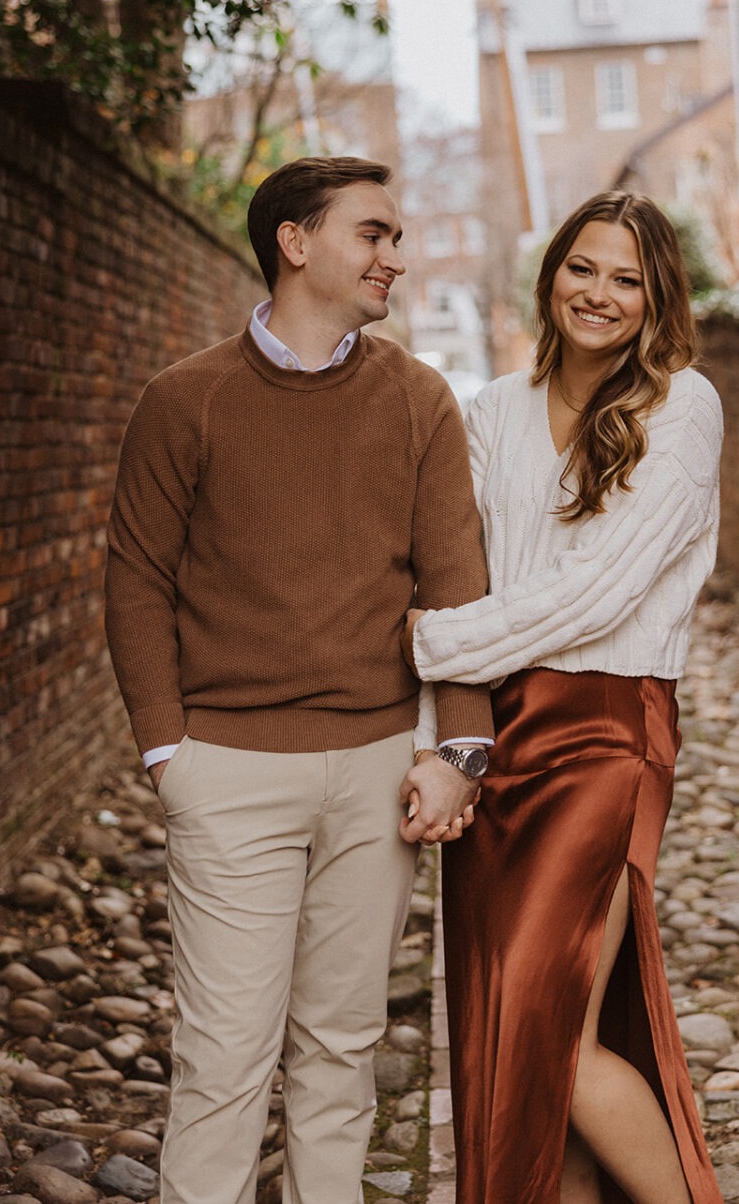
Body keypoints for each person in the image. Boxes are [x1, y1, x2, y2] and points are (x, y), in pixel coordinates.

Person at [104, 155, 495, 1204]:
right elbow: (135, 575)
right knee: (223, 1060)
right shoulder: (184, 401)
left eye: (395, 238)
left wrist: (457, 748)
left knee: (340, 1051)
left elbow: (457, 587)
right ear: (296, 240)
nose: (395, 258)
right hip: (226, 773)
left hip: (376, 773)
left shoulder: (418, 399)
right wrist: (163, 748)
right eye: (374, 234)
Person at [401, 192, 725, 1204]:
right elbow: (460, 570)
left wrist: (430, 644)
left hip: (604, 731)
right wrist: (448, 744)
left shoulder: (682, 405)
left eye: (627, 279)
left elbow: (600, 592)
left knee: (556, 1032)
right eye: (582, 268)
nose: (599, 294)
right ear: (549, 276)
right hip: (499, 731)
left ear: (657, 295)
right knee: (508, 1028)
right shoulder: (491, 407)